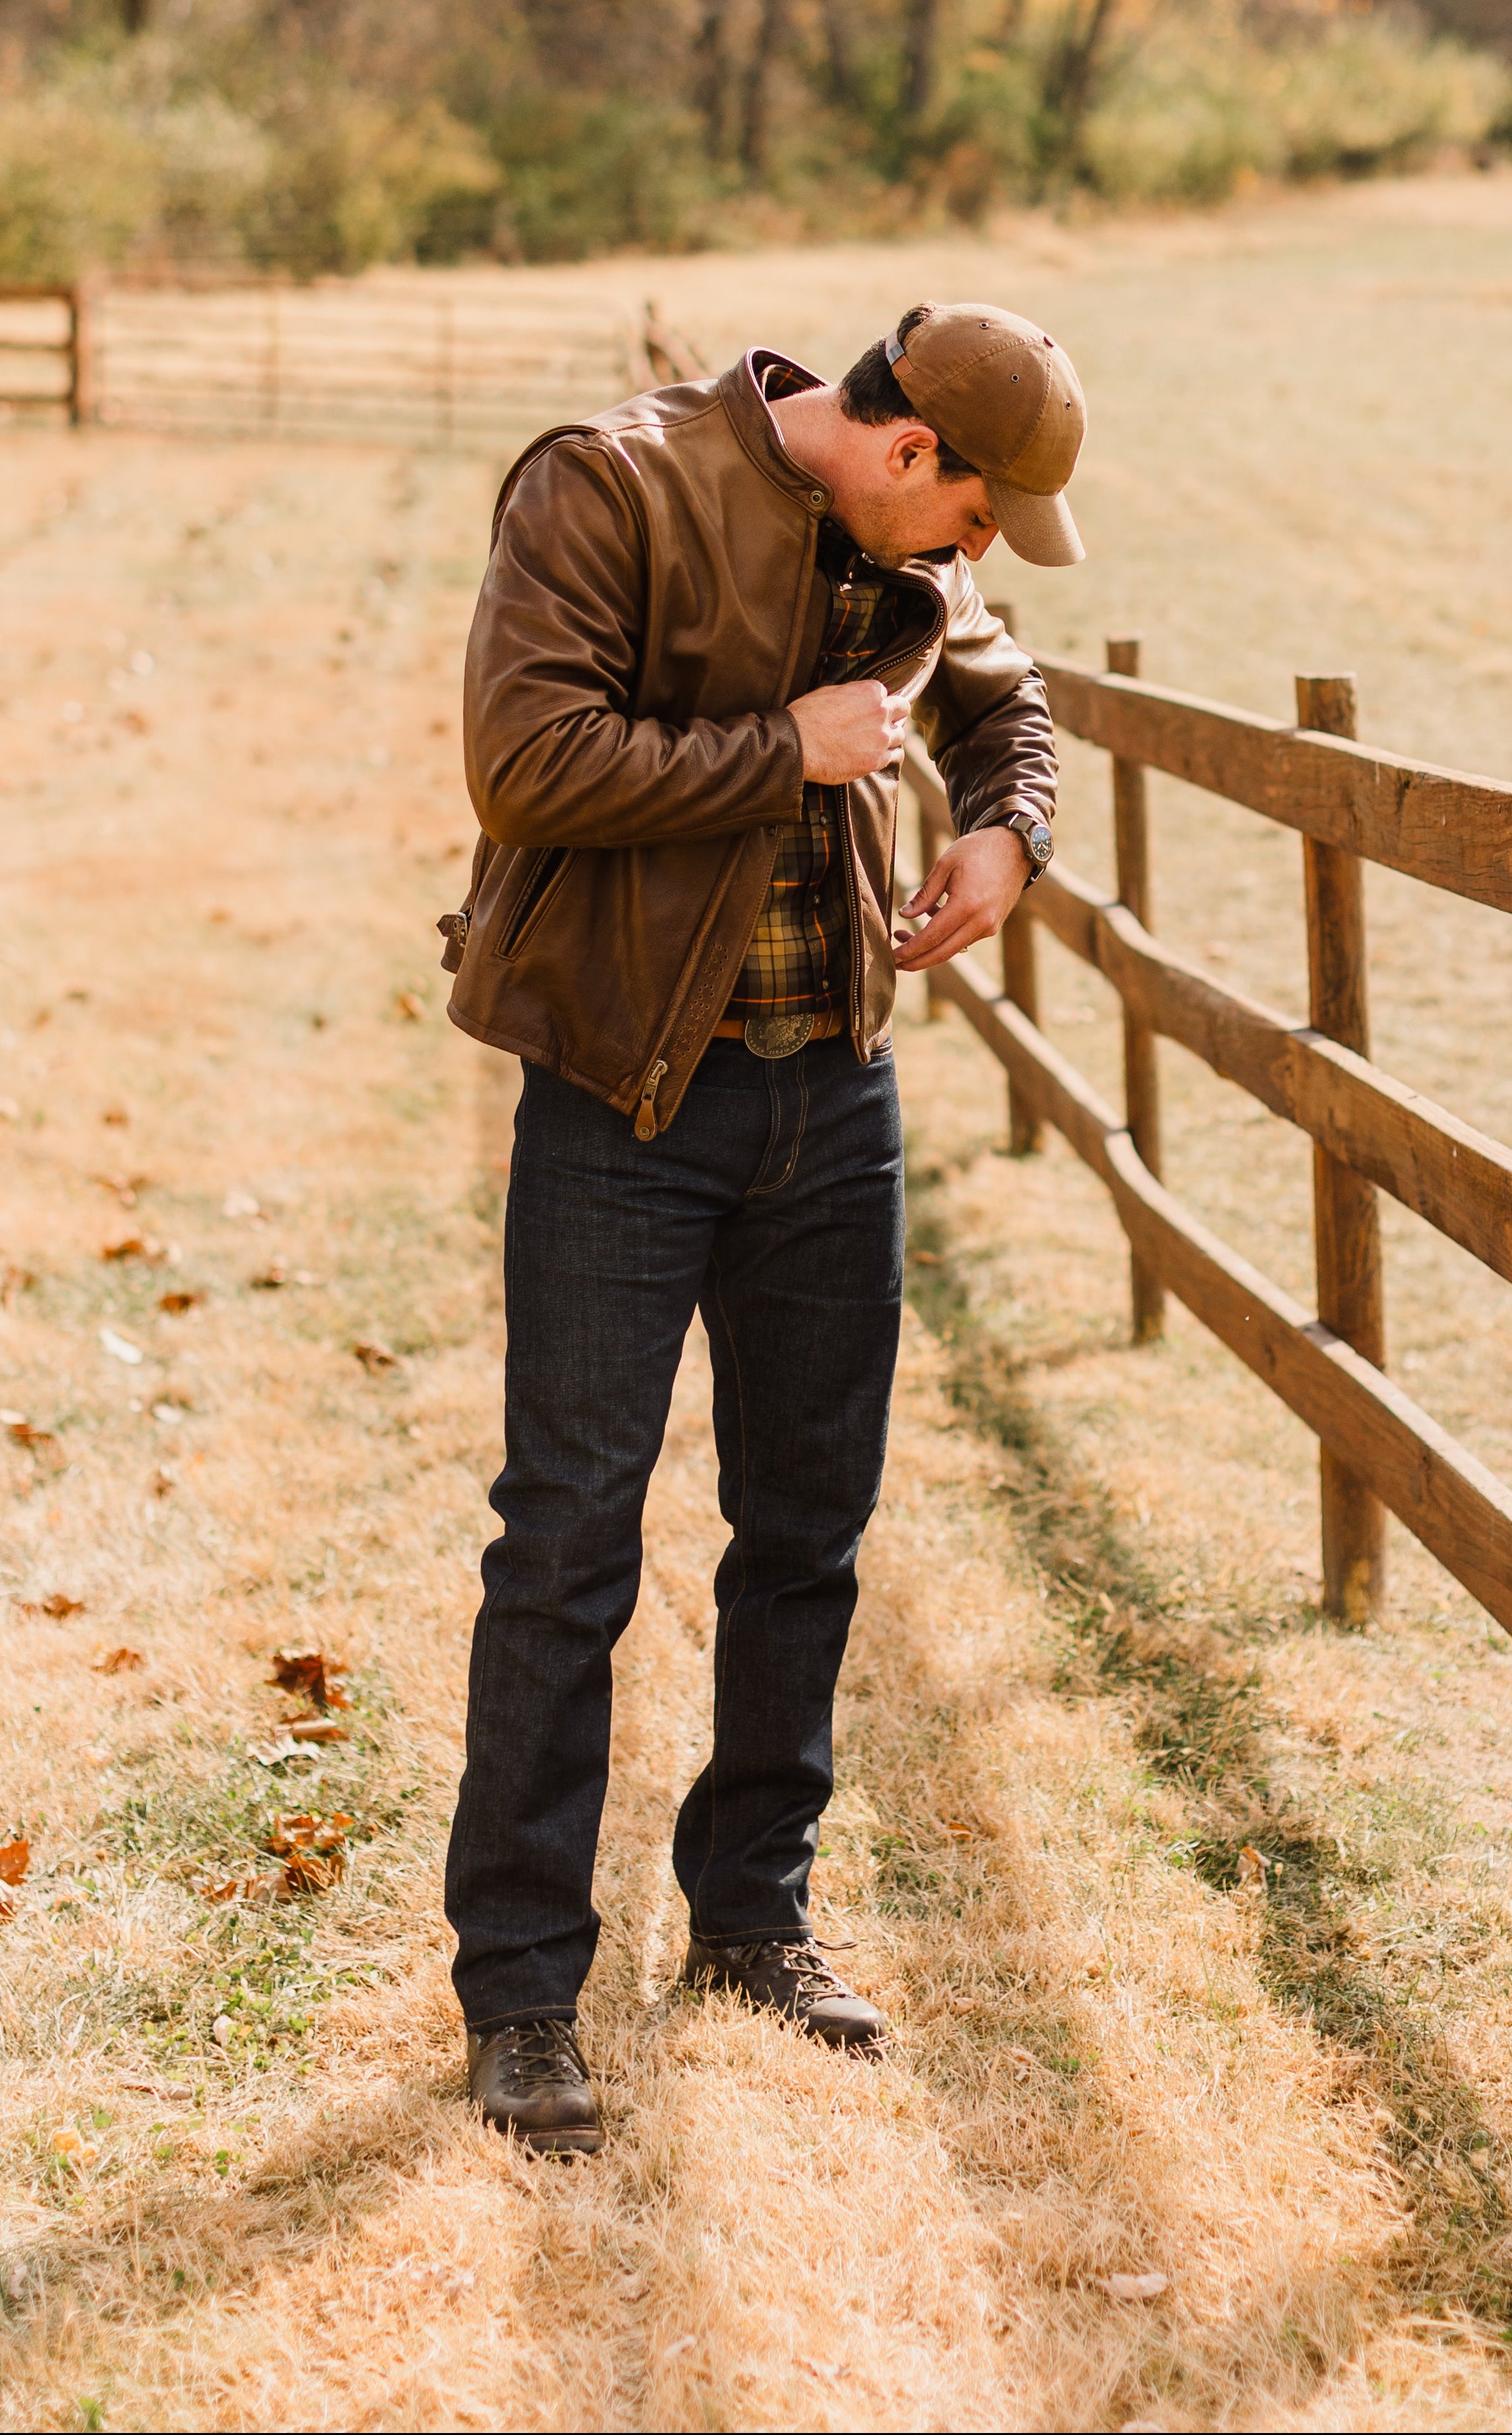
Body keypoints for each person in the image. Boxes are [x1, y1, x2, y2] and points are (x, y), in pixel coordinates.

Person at [439, 300, 1086, 2153]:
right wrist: (778, 751)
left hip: (836, 1099)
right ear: (905, 454)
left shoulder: (908, 560)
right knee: (566, 1538)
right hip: (626, 1103)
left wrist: (1002, 832)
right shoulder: (604, 489)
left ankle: (749, 1921)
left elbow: (1002, 695)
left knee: (805, 1527)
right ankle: (523, 1994)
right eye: (966, 519)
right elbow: (526, 762)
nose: (971, 561)